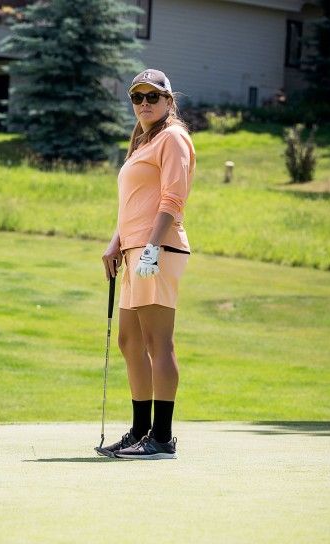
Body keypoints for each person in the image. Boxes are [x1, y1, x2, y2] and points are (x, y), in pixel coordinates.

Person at [99, 69, 195, 460]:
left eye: (153, 97)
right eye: (137, 97)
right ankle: (140, 431)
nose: (144, 104)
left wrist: (152, 248)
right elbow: (134, 204)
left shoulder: (173, 138)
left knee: (158, 342)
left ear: (169, 101)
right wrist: (116, 243)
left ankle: (162, 438)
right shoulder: (143, 142)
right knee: (130, 342)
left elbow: (173, 198)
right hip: (134, 250)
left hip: (158, 250)